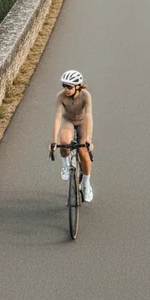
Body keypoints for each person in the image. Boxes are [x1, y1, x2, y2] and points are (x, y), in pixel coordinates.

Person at [50, 69, 94, 202]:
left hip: (82, 122)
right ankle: (65, 164)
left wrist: (88, 138)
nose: (66, 89)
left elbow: (89, 116)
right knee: (64, 142)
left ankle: (86, 184)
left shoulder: (86, 96)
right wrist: (54, 141)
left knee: (83, 150)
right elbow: (58, 117)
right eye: (64, 86)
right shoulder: (60, 96)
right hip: (68, 121)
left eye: (69, 87)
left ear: (78, 86)